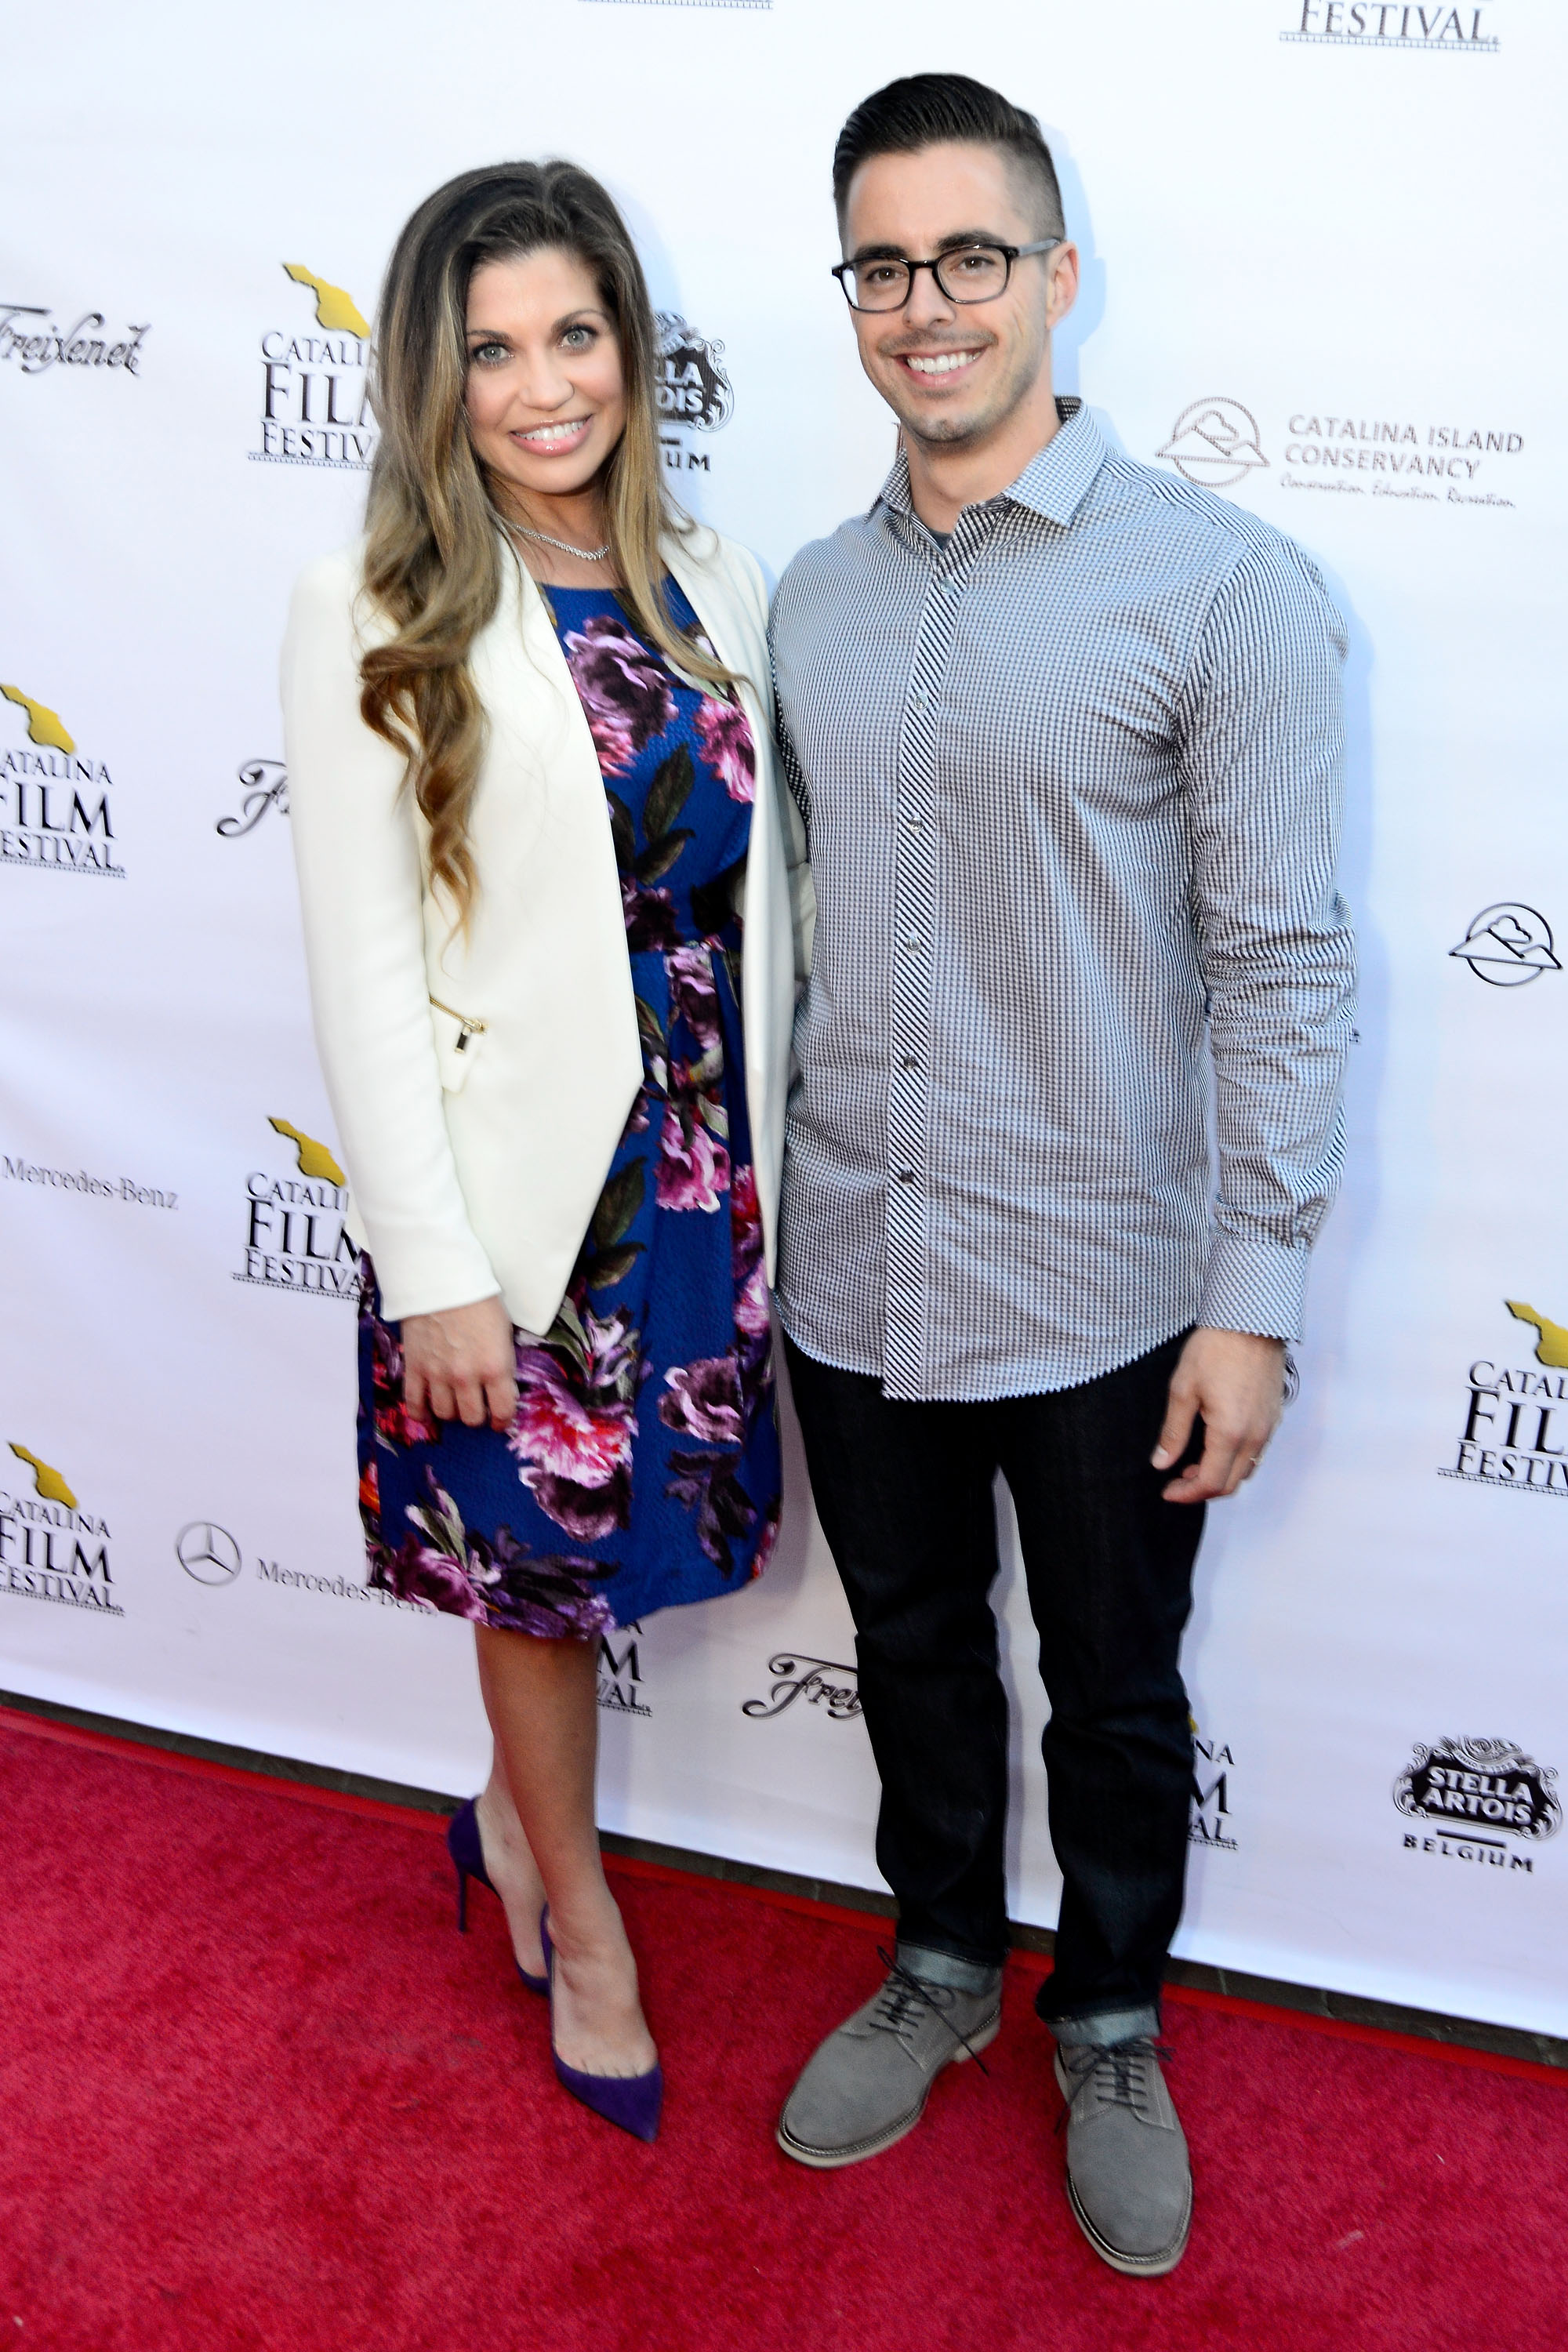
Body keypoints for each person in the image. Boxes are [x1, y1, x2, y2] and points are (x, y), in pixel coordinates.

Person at [768, 75, 1354, 2274]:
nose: (930, 308)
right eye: (887, 265)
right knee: (911, 1645)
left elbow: (1286, 962)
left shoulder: (1222, 592)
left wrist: (1256, 1290)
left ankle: (1105, 2008)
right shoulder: (808, 597)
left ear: (1058, 277)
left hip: (1107, 1283)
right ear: (853, 294)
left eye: (973, 258)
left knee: (1115, 1686)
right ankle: (938, 1960)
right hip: (853, 1262)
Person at [281, 160, 809, 2143]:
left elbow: (774, 896)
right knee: (532, 1567)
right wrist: (429, 1260)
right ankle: (577, 1914)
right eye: (487, 350)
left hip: (700, 1161)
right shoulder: (378, 605)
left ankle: (507, 1818)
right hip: (517, 1202)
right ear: (434, 379)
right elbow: (362, 968)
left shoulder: (714, 576)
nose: (538, 386)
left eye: (570, 334)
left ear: (629, 347)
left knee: (627, 1555)